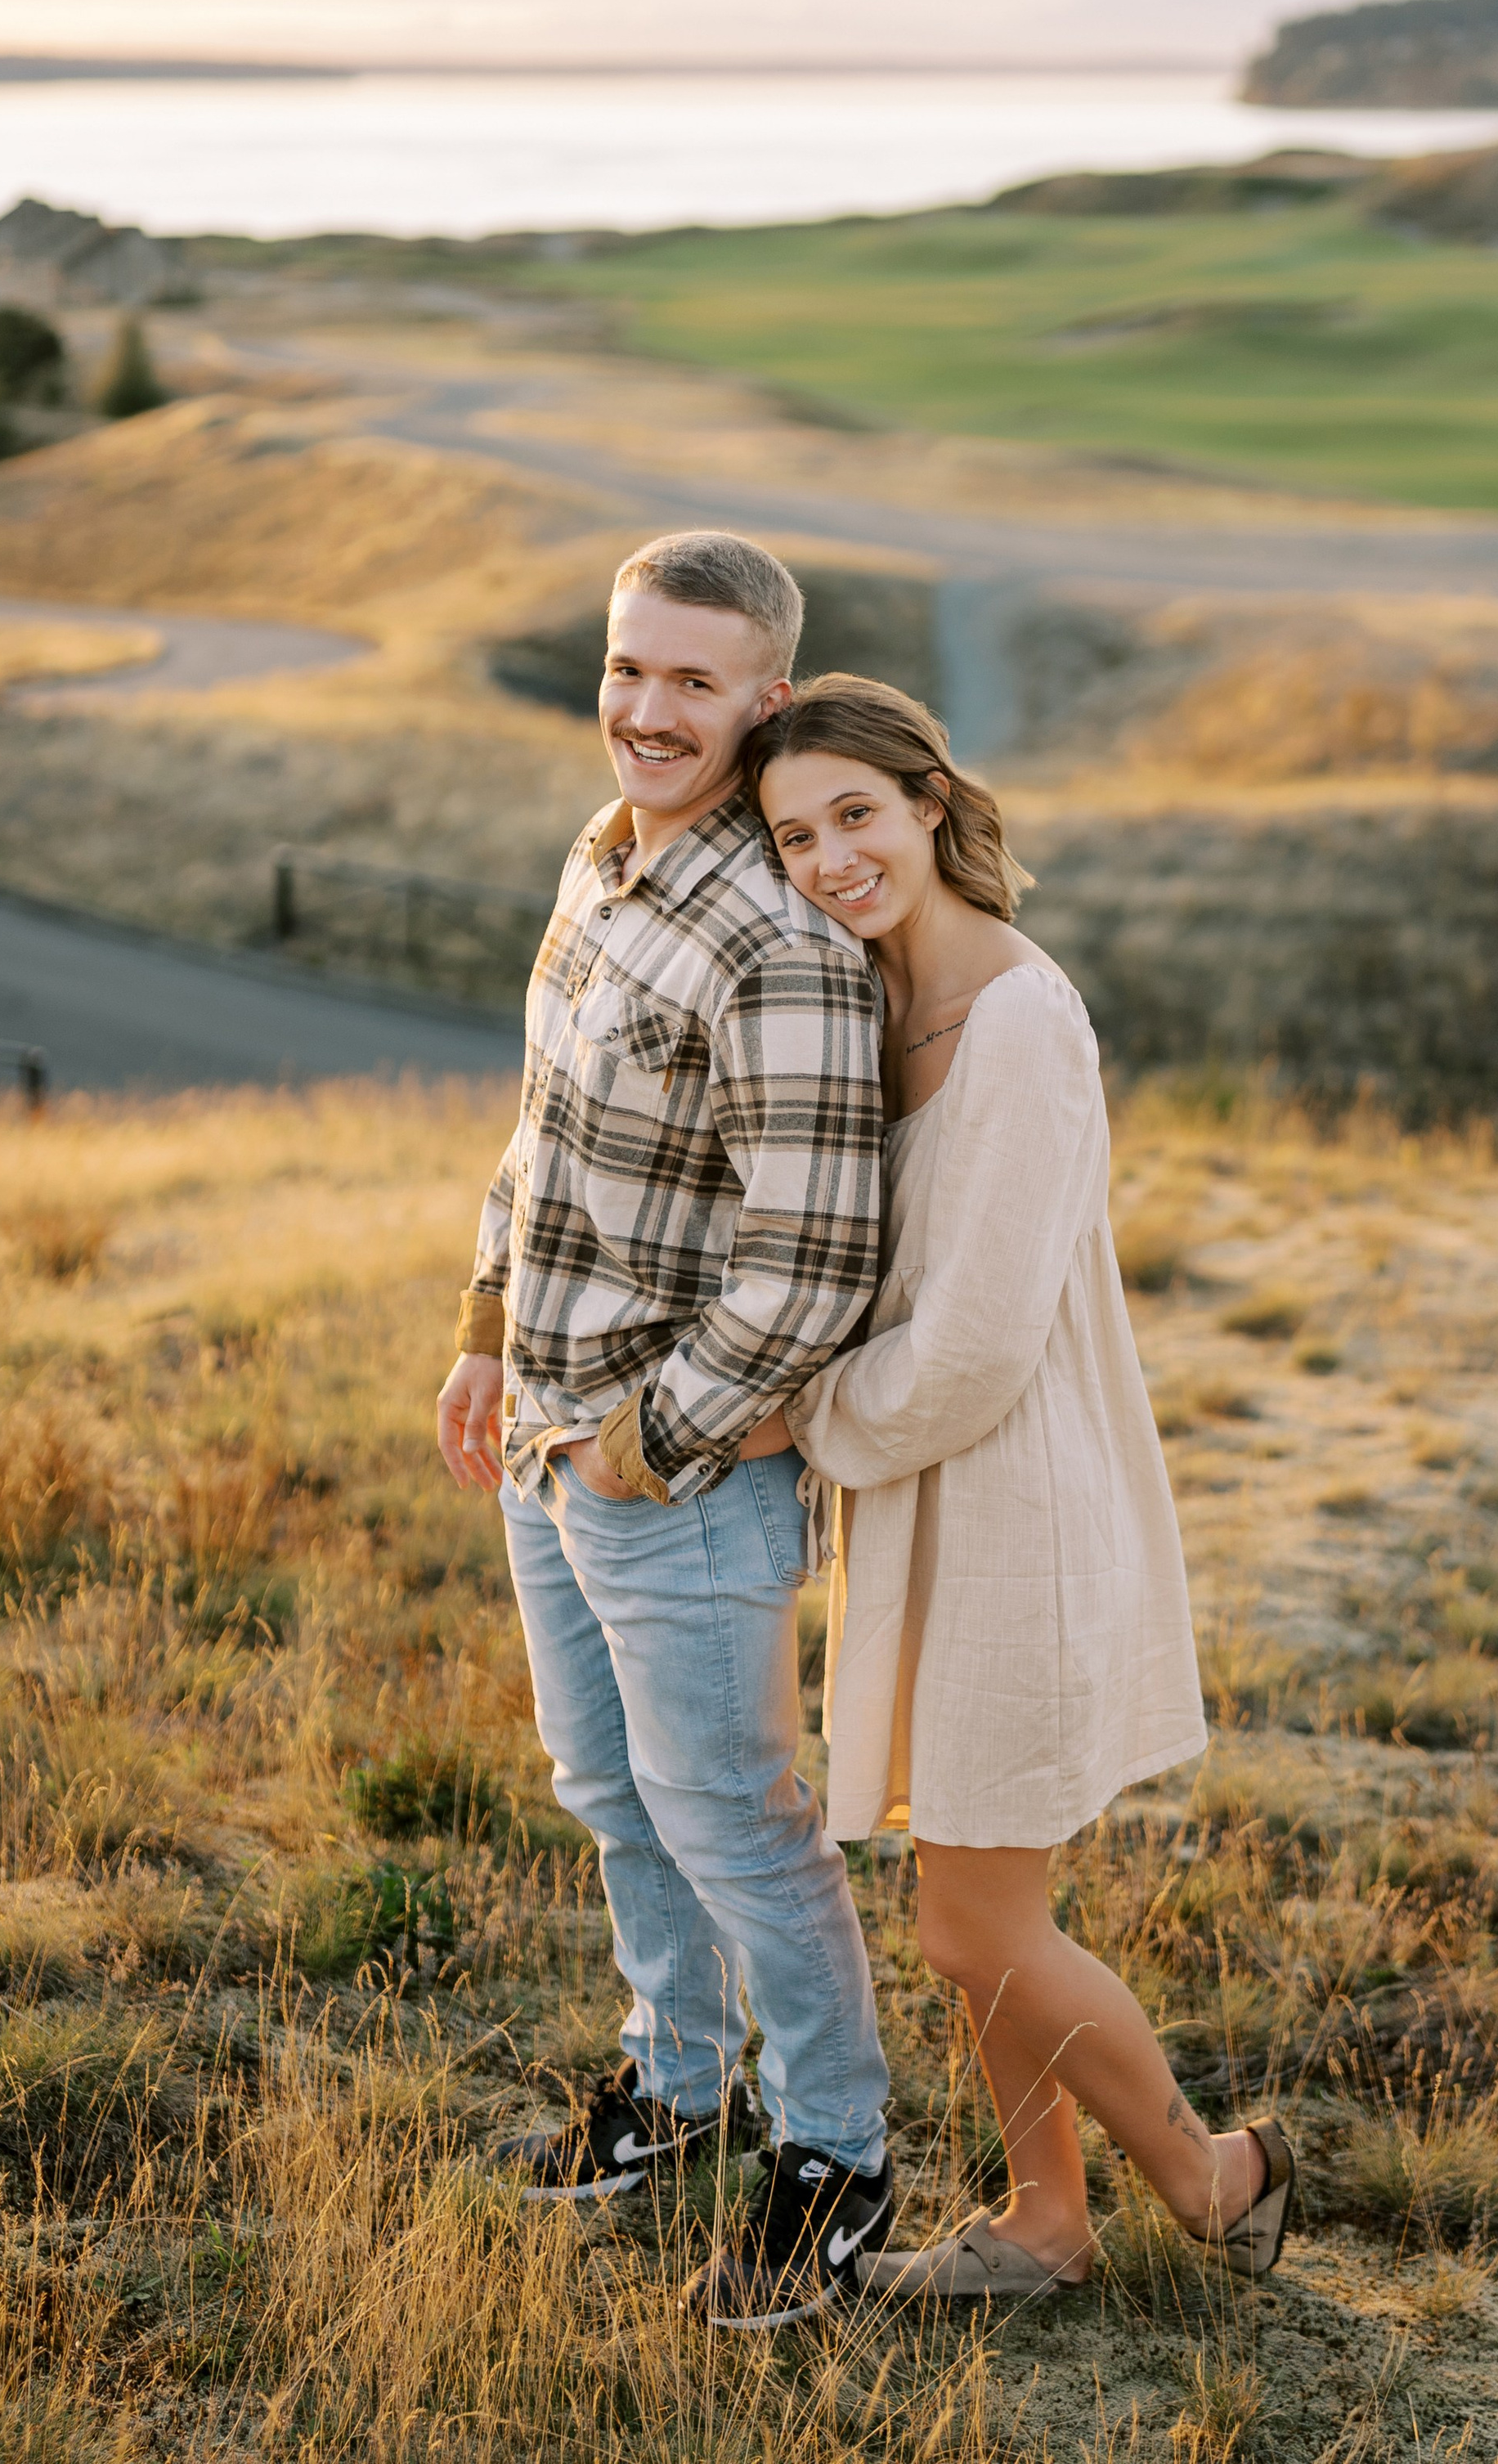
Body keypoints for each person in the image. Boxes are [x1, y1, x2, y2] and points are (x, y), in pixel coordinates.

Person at [747, 672, 1296, 2300]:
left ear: (930, 803)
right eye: (794, 836)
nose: (832, 858)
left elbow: (980, 1341)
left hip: (1013, 1501)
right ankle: (1044, 2220)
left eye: (856, 814)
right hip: (925, 1496)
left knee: (972, 1925)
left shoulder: (1018, 1015)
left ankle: (1219, 2178)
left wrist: (805, 1414)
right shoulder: (870, 996)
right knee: (966, 1901)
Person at [435, 533, 897, 2327]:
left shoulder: (781, 940)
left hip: (672, 1477)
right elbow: (541, 1126)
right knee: (613, 1794)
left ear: (764, 700)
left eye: (693, 681)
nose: (645, 707)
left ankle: (834, 2158)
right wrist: (487, 1327)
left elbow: (812, 1261)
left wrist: (651, 1440)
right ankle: (678, 2087)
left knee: (737, 1826)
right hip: (543, 1433)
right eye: (629, 666)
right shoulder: (601, 855)